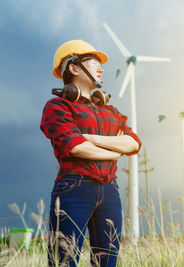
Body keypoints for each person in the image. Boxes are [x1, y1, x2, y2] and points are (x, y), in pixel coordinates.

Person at [40, 40, 142, 267]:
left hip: (110, 191)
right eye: (95, 63)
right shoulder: (57, 107)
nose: (102, 68)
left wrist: (93, 139)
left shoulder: (110, 110)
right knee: (63, 261)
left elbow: (133, 143)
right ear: (74, 68)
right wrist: (114, 150)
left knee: (107, 262)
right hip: (73, 189)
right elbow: (75, 147)